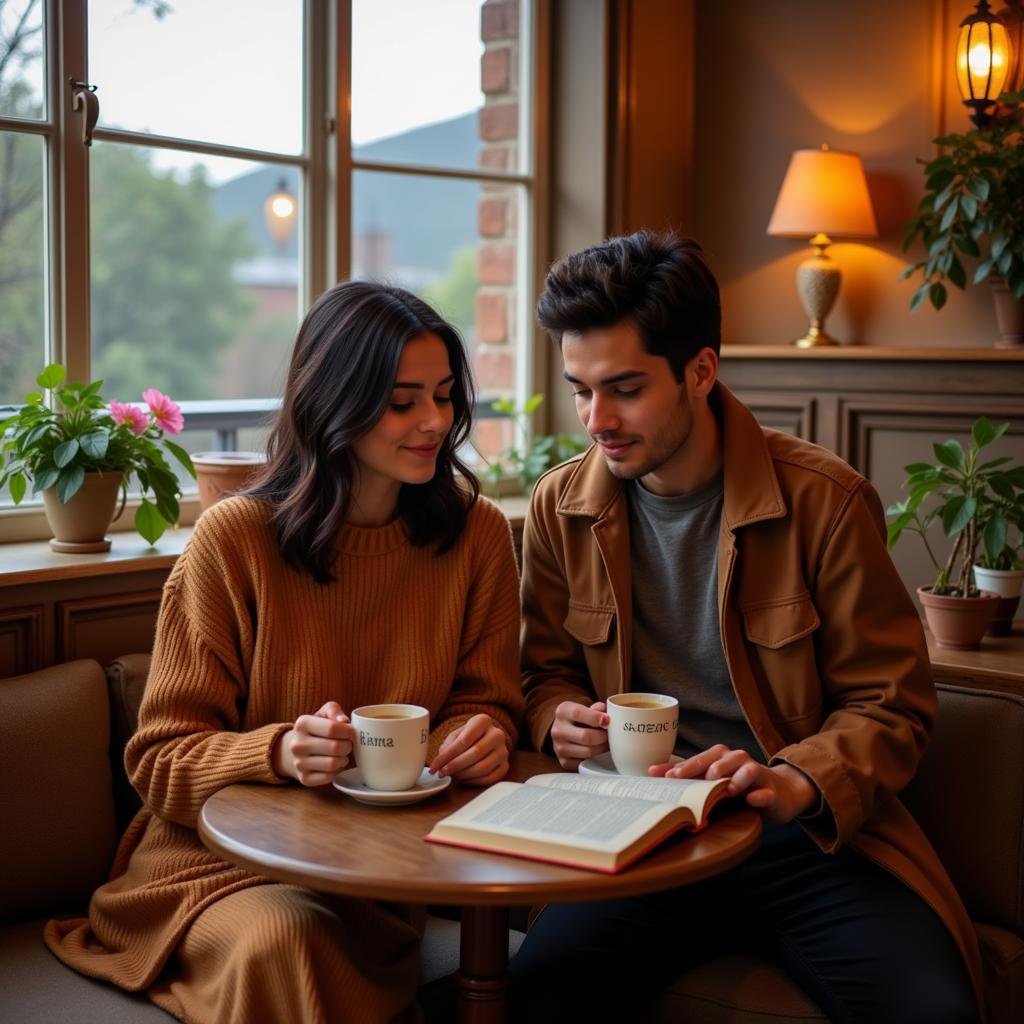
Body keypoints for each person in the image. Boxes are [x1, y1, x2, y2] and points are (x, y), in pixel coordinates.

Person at [507, 231, 982, 1023]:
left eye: (624, 388)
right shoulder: (561, 508)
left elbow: (892, 705)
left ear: (700, 370)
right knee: (533, 999)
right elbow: (541, 673)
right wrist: (556, 717)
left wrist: (795, 781)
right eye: (580, 389)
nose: (596, 419)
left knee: (935, 1015)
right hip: (636, 833)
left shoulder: (825, 502)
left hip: (805, 841)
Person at [46, 281, 524, 1024]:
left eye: (444, 395)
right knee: (288, 941)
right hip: (211, 874)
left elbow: (486, 699)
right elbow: (158, 762)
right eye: (402, 402)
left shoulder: (480, 536)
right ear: (334, 403)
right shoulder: (233, 541)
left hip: (380, 877)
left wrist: (482, 734)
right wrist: (275, 754)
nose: (435, 422)